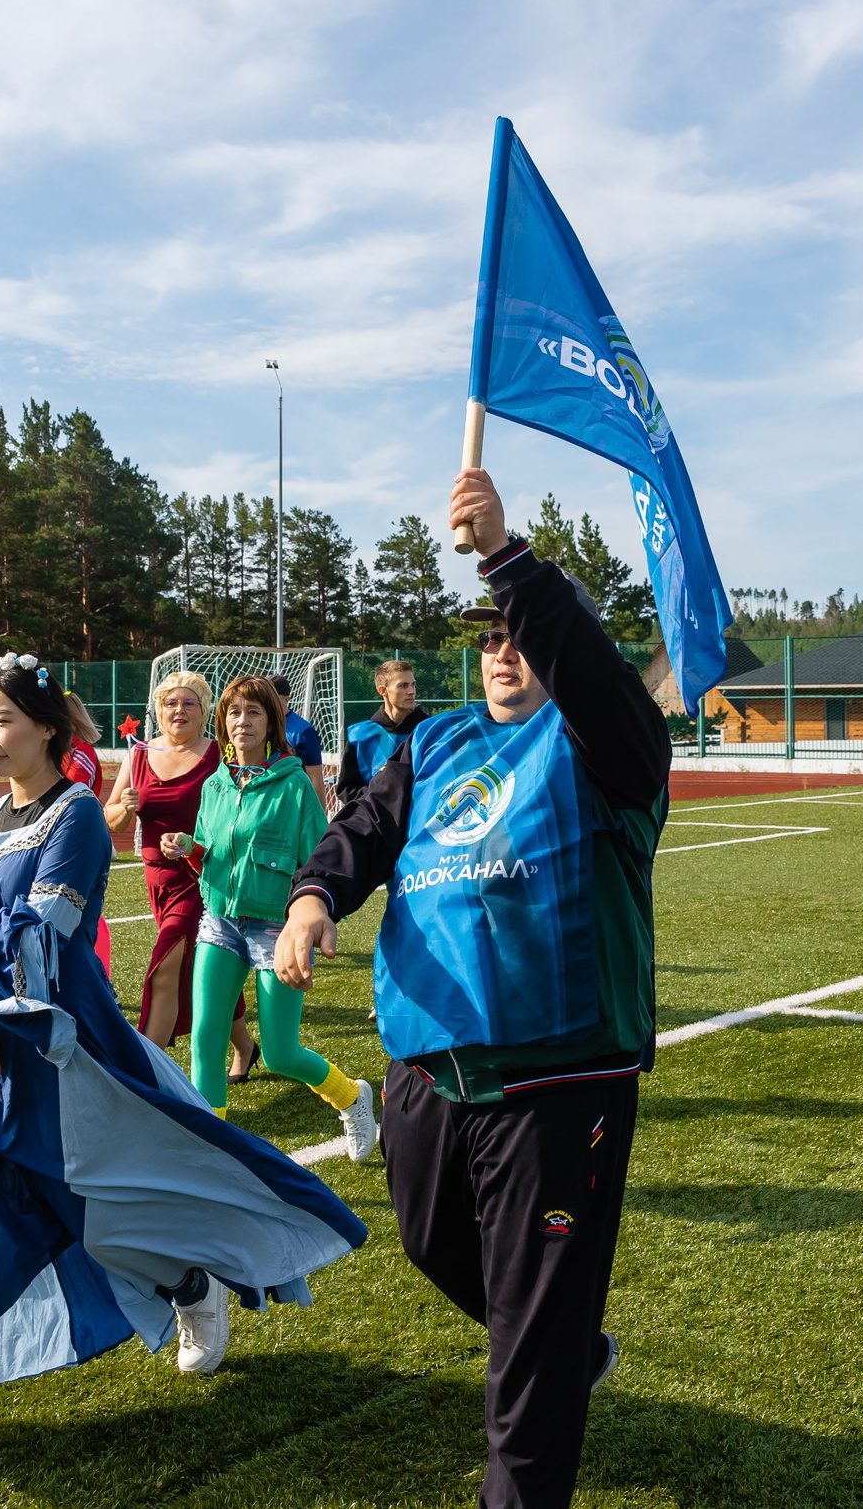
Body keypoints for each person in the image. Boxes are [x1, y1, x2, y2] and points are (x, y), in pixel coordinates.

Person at [0, 654, 366, 1491]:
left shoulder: (78, 819)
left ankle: (193, 1282)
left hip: (63, 1068)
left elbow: (35, 946)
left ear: (47, 726)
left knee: (103, 1222)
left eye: (1, 720)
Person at [277, 467, 666, 1509]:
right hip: (428, 1064)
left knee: (526, 1346)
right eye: (487, 635)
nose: (500, 649)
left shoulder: (607, 747)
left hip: (558, 1077)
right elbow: (366, 830)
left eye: (517, 631)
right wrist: (316, 896)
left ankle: (530, 1449)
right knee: (431, 1243)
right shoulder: (436, 742)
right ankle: (565, 1344)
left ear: (554, 643)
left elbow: (593, 681)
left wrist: (509, 557)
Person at [174, 676, 375, 1158]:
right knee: (205, 1036)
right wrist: (188, 849)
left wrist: (310, 922)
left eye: (254, 713)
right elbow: (209, 855)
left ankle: (353, 1097)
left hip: (275, 929)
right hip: (219, 919)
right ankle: (214, 1149)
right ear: (223, 722)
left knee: (282, 1052)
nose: (242, 721)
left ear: (272, 724)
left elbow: (321, 860)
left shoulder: (295, 788)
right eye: (234, 712)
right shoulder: (215, 785)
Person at [102, 672, 252, 1075]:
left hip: (204, 878)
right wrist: (125, 808)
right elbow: (109, 820)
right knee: (198, 965)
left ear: (204, 710)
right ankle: (246, 1046)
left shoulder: (221, 753)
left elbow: (241, 818)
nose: (179, 710)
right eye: (171, 703)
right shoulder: (138, 754)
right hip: (157, 882)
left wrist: (194, 842)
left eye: (189, 703)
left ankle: (145, 1075)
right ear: (158, 710)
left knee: (167, 965)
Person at [58, 704, 116, 981]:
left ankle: (100, 979)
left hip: (79, 841)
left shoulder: (82, 753)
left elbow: (66, 792)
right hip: (64, 841)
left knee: (84, 913)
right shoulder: (60, 752)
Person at [334, 658, 427, 810]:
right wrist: (383, 800)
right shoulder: (359, 736)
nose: (411, 691)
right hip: (377, 824)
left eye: (413, 684)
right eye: (403, 685)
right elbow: (347, 790)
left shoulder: (429, 730)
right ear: (383, 691)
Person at [269, 674, 330, 808]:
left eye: (272, 697)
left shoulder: (303, 731)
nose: (267, 701)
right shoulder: (261, 725)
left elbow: (315, 779)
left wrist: (320, 818)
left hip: (293, 805)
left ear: (286, 699)